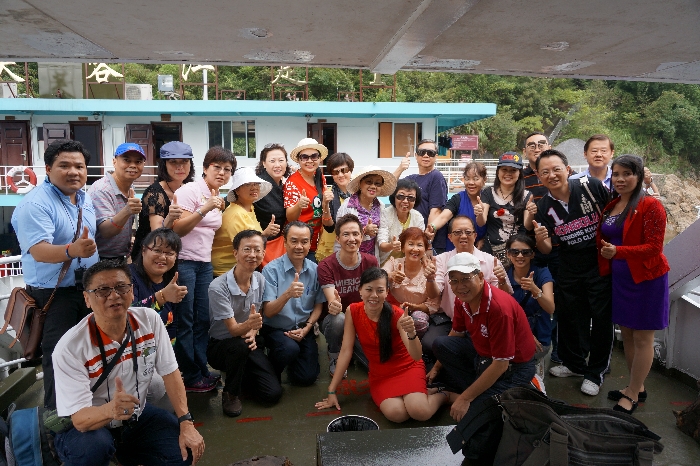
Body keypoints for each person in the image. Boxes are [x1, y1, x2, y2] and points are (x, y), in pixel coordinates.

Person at [52, 260, 204, 465]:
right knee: (95, 448)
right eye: (102, 290)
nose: (114, 295)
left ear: (132, 292)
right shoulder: (70, 348)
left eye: (121, 287)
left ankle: (124, 453)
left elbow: (170, 373)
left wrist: (186, 423)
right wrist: (111, 410)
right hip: (91, 425)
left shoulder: (150, 320)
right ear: (87, 299)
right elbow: (79, 420)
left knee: (185, 451)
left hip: (134, 416)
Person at [11, 139, 99, 410]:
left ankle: (87, 406)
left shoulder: (83, 198)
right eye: (64, 165)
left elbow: (95, 235)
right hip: (54, 294)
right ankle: (57, 416)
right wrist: (73, 250)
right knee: (59, 355)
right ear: (48, 169)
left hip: (86, 289)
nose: (73, 171)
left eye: (79, 166)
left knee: (89, 349)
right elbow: (38, 250)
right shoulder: (35, 204)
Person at [315, 267, 449, 422]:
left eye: (380, 290)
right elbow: (346, 350)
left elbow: (416, 356)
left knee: (420, 412)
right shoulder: (353, 311)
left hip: (407, 367)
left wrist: (412, 333)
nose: (374, 295)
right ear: (360, 290)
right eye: (369, 289)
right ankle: (422, 393)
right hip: (380, 373)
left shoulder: (397, 314)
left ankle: (444, 395)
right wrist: (332, 390)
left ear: (387, 292)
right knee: (397, 414)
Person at [529, 149, 612, 396]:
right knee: (569, 317)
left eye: (556, 169)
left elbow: (615, 213)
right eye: (545, 172)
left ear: (567, 170)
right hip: (568, 264)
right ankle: (575, 364)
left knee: (601, 319)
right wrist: (540, 238)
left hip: (599, 263)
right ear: (538, 176)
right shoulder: (544, 206)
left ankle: (595, 372)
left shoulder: (591, 187)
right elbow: (546, 249)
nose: (552, 175)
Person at [597, 155, 670, 414]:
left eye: (627, 173)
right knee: (626, 334)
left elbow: (654, 247)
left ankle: (632, 393)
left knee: (642, 338)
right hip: (621, 279)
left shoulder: (651, 205)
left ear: (638, 176)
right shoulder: (613, 204)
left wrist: (618, 252)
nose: (620, 179)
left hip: (647, 279)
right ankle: (636, 387)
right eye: (616, 174)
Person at [429, 252, 536, 422]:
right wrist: (436, 367)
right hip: (484, 356)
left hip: (514, 367)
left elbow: (501, 364)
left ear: (480, 277)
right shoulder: (462, 299)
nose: (460, 286)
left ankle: (514, 389)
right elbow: (457, 332)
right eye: (454, 281)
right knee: (441, 344)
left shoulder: (498, 309)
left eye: (465, 279)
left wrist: (465, 398)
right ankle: (479, 390)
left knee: (476, 413)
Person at [172, 146, 234, 392]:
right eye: (217, 167)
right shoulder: (190, 190)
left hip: (204, 264)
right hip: (184, 262)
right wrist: (204, 208)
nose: (221, 173)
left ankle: (200, 369)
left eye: (227, 169)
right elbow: (177, 228)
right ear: (206, 168)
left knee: (202, 319)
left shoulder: (216, 195)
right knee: (185, 320)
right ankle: (189, 375)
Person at [207, 230, 282, 417]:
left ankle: (242, 375)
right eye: (247, 249)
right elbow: (233, 330)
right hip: (222, 346)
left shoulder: (260, 279)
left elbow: (259, 314)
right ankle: (230, 393)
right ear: (235, 253)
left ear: (263, 254)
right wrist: (251, 325)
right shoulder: (218, 287)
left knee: (272, 394)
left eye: (257, 250)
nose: (252, 254)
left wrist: (254, 332)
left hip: (248, 341)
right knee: (239, 346)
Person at [424, 216, 512, 363]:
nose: (463, 236)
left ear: (475, 235)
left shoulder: (491, 261)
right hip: (450, 320)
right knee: (430, 343)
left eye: (468, 232)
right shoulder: (441, 260)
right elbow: (434, 293)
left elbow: (504, 299)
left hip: (482, 321)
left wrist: (502, 281)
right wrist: (430, 279)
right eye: (458, 232)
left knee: (478, 353)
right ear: (450, 237)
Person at [261, 222, 326, 385]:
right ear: (285, 242)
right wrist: (287, 294)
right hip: (276, 329)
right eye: (294, 241)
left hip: (303, 328)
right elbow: (268, 312)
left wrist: (307, 328)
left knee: (306, 378)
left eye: (304, 242)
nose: (299, 246)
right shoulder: (271, 270)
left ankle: (293, 360)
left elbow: (318, 304)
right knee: (288, 349)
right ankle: (271, 367)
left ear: (310, 244)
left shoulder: (315, 270)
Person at [317, 214, 378, 375]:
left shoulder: (371, 262)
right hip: (336, 321)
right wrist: (334, 305)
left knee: (376, 367)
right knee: (339, 319)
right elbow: (332, 301)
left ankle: (352, 349)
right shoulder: (326, 266)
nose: (351, 239)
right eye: (346, 234)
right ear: (337, 238)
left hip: (361, 319)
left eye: (355, 234)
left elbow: (374, 299)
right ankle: (335, 354)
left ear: (362, 236)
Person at [132, 141, 194, 260]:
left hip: (177, 255)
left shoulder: (190, 189)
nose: (180, 167)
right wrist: (170, 217)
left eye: (185, 161)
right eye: (173, 162)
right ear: (164, 165)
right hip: (150, 256)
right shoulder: (155, 193)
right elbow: (157, 233)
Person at [504, 234, 554, 379]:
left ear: (532, 254)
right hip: (514, 335)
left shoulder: (542, 273)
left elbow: (550, 308)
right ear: (508, 254)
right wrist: (525, 333)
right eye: (515, 252)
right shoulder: (504, 276)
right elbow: (501, 312)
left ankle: (534, 366)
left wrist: (534, 289)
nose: (520, 256)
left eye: (525, 252)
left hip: (539, 339)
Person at [211, 167, 276, 276]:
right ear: (237, 190)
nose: (254, 187)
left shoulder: (249, 208)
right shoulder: (236, 213)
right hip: (226, 272)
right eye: (247, 184)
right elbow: (244, 247)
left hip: (242, 268)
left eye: (256, 184)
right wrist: (265, 234)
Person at [88, 143, 145, 260]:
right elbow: (106, 231)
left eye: (138, 162)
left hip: (121, 256)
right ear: (114, 162)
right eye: (127, 160)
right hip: (101, 259)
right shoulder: (102, 189)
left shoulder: (129, 187)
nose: (133, 165)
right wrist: (127, 211)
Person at [476, 152, 533, 268]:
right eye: (504, 169)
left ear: (519, 173)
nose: (508, 174)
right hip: (490, 249)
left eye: (513, 170)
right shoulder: (488, 192)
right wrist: (480, 213)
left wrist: (531, 213)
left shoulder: (527, 195)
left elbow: (528, 226)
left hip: (517, 253)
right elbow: (481, 222)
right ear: (498, 172)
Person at [130, 228, 187, 343]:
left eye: (169, 253)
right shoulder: (127, 277)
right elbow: (128, 316)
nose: (162, 257)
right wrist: (162, 296)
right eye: (157, 250)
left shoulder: (172, 280)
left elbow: (172, 327)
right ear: (144, 250)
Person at [382, 227, 439, 339]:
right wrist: (391, 276)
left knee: (418, 320)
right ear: (403, 248)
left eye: (419, 245)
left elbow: (434, 303)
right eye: (411, 244)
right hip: (393, 308)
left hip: (418, 313)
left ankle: (414, 345)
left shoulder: (429, 268)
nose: (415, 249)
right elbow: (379, 276)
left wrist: (415, 307)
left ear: (425, 249)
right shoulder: (394, 263)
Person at [394, 139, 449, 254]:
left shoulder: (436, 177)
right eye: (422, 152)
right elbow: (388, 187)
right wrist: (400, 168)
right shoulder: (412, 179)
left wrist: (427, 243)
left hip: (429, 242)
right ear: (416, 155)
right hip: (414, 240)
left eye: (430, 153)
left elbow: (436, 211)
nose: (426, 155)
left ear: (436, 156)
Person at [336, 166, 397, 257]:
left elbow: (382, 232)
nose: (373, 186)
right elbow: (341, 233)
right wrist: (364, 231)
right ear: (360, 184)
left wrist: (389, 245)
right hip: (349, 257)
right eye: (368, 182)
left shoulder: (380, 206)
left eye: (377, 183)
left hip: (371, 257)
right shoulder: (348, 205)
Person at [284, 138, 329, 262]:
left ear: (319, 159)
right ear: (299, 160)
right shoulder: (292, 182)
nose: (310, 161)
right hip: (299, 244)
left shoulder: (320, 177)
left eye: (314, 156)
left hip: (318, 242)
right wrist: (299, 205)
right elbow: (290, 217)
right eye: (304, 157)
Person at [426, 161, 487, 251]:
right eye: (467, 179)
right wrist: (432, 227)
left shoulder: (488, 198)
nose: (471, 182)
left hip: (479, 250)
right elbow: (443, 217)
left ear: (484, 180)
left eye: (475, 179)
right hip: (455, 249)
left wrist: (484, 239)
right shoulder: (457, 199)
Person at [316, 152, 354, 262]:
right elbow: (329, 227)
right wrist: (325, 205)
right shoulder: (328, 194)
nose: (340, 175)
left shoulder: (359, 192)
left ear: (351, 170)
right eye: (335, 172)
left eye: (344, 170)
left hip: (354, 248)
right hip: (330, 250)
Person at [377, 179, 425, 265]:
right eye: (401, 196)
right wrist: (391, 246)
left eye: (411, 198)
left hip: (409, 263)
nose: (405, 201)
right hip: (385, 263)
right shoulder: (385, 214)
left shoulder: (418, 217)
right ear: (394, 197)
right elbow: (382, 245)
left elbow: (421, 244)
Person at [254, 143, 290, 240]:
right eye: (272, 161)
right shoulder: (257, 184)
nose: (277, 165)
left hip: (279, 241)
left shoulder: (284, 184)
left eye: (281, 160)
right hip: (261, 241)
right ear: (264, 164)